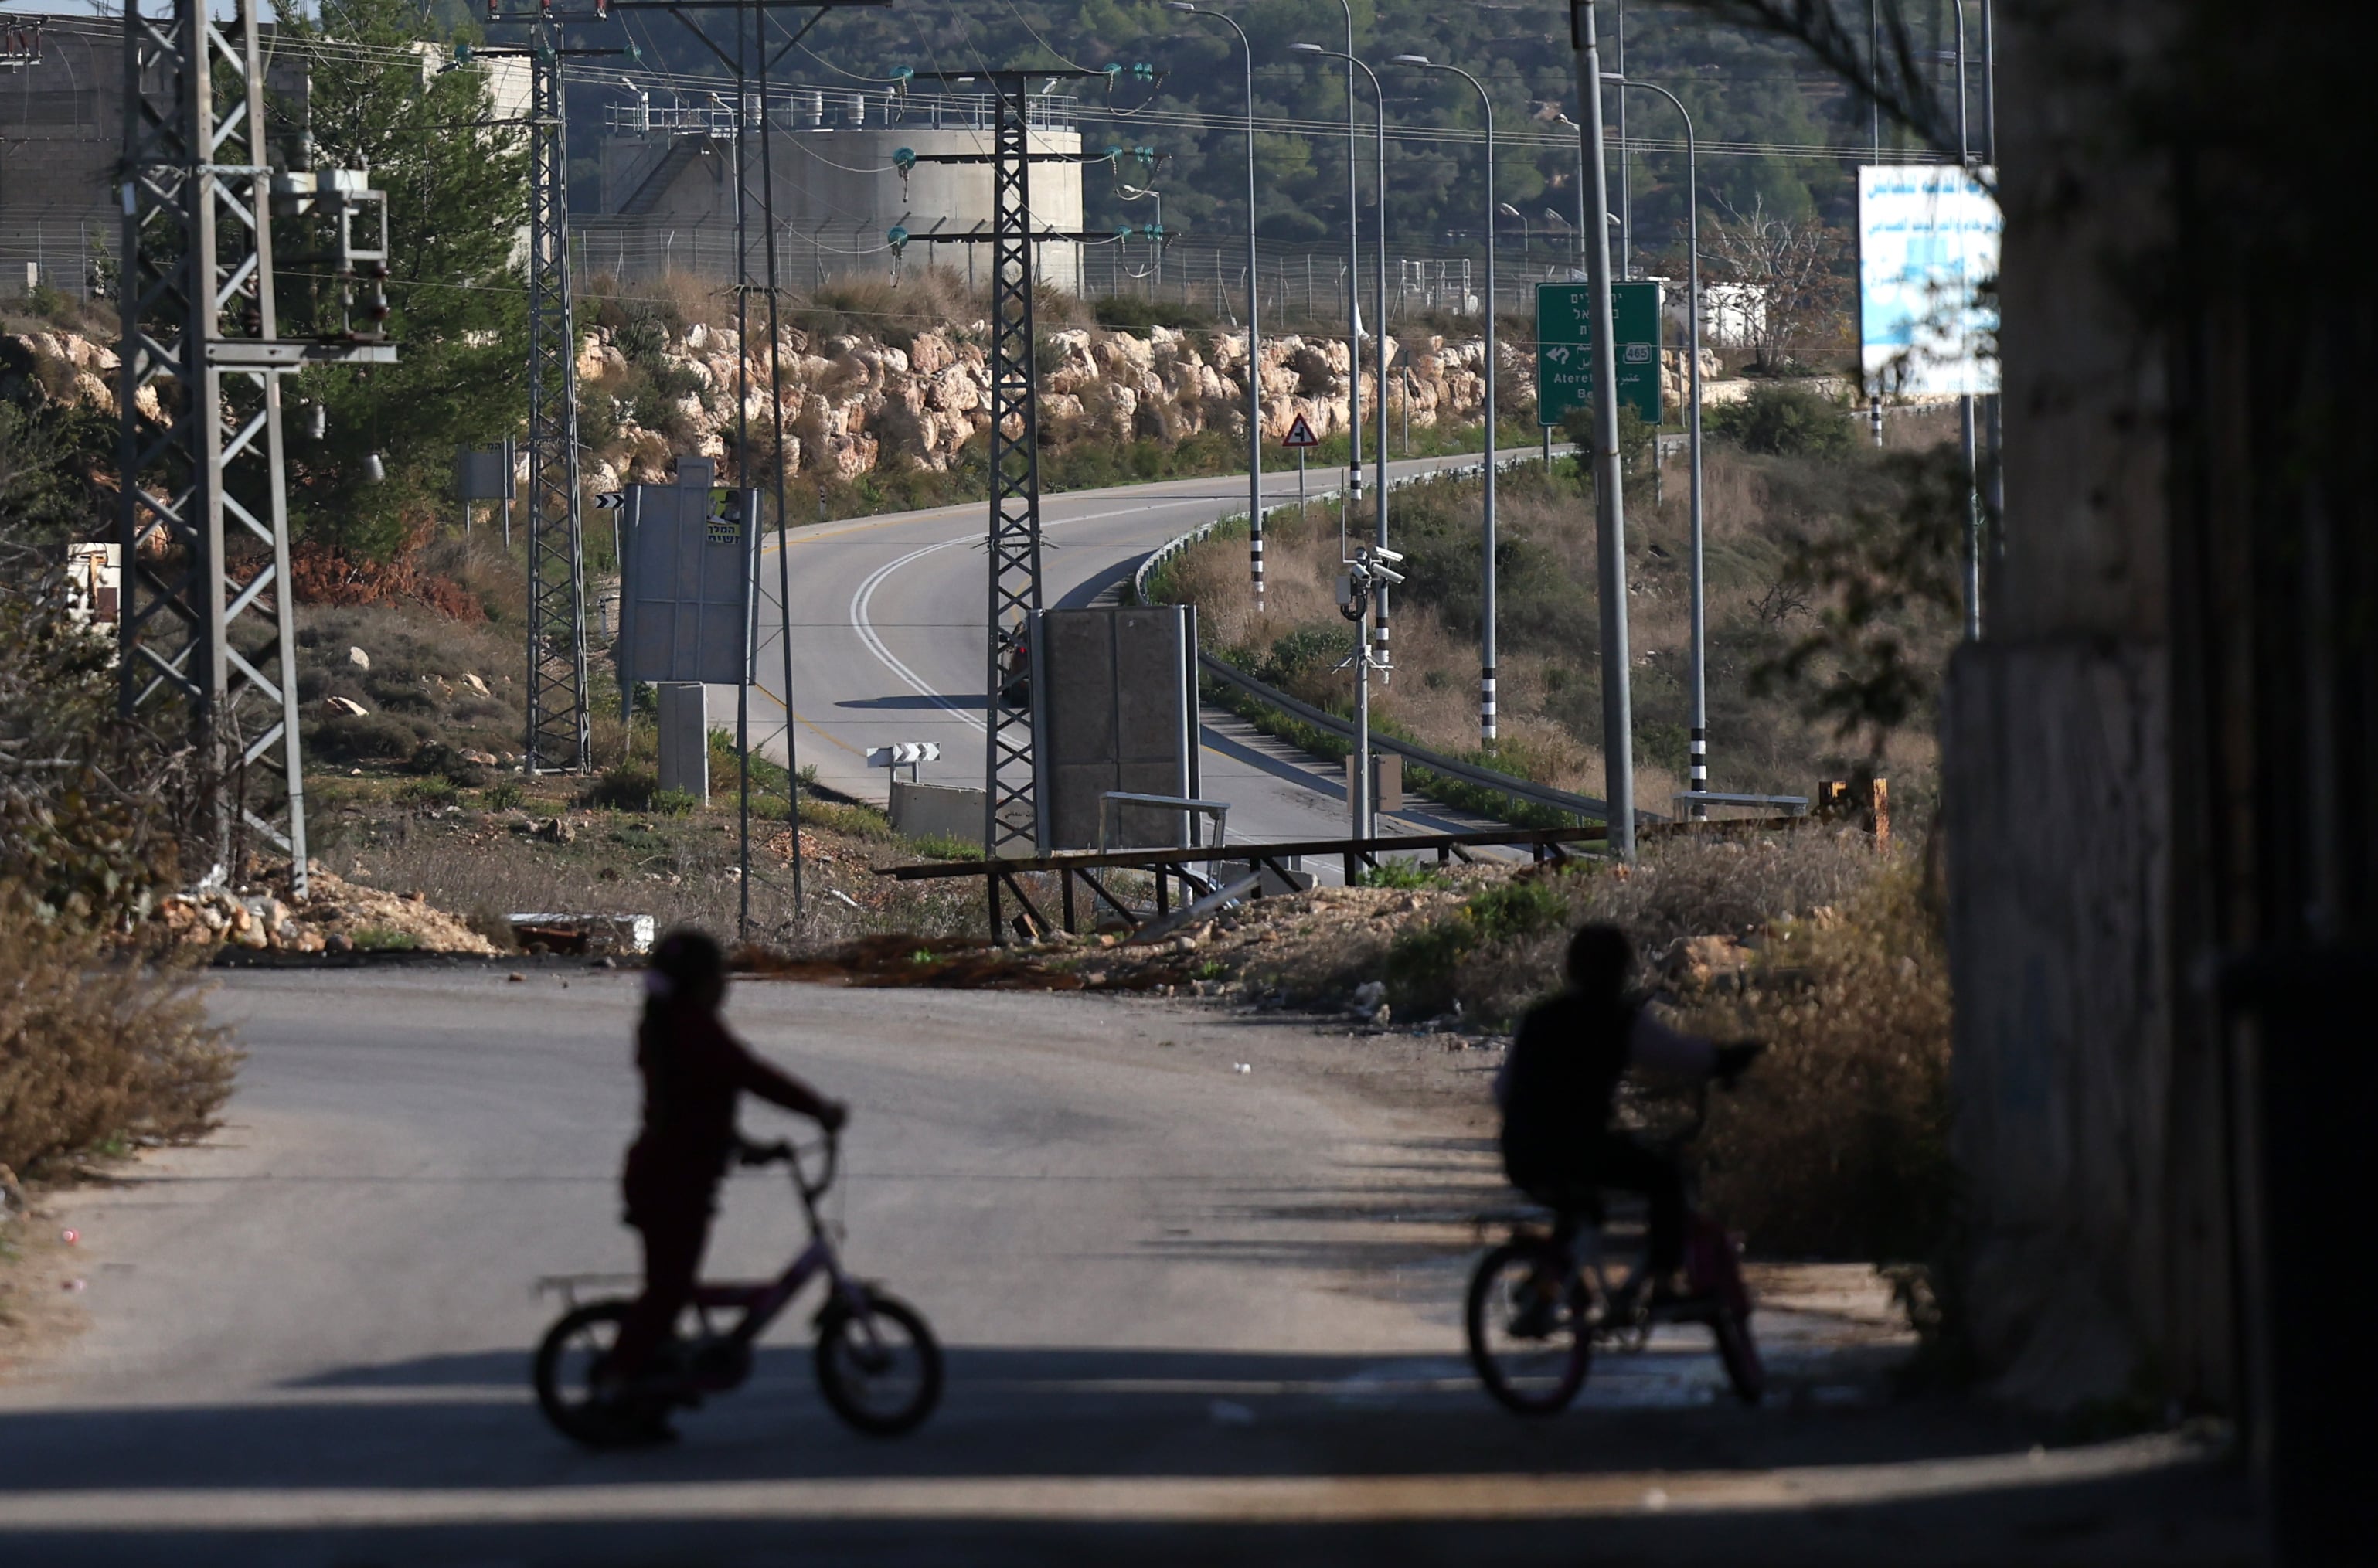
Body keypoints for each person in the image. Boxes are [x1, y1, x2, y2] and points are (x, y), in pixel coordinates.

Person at [598, 928, 846, 1435]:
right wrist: (817, 1108)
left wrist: (745, 1147)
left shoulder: (673, 1027)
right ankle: (614, 1386)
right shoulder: (693, 1029)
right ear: (699, 983)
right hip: (672, 1180)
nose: (724, 986)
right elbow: (751, 1075)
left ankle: (646, 1399)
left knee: (669, 1288)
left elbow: (699, 1108)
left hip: (673, 1174)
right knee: (667, 1292)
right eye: (718, 976)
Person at [1494, 924, 1758, 1309]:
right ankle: (1664, 1286)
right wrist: (1728, 1059)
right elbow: (1681, 1054)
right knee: (1664, 1181)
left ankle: (1547, 1283)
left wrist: (1531, 1127)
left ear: (1571, 968)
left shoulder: (1539, 1018)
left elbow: (1502, 1090)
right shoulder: (1618, 1021)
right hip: (1579, 1150)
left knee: (1582, 1208)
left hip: (1521, 1153)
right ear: (1622, 972)